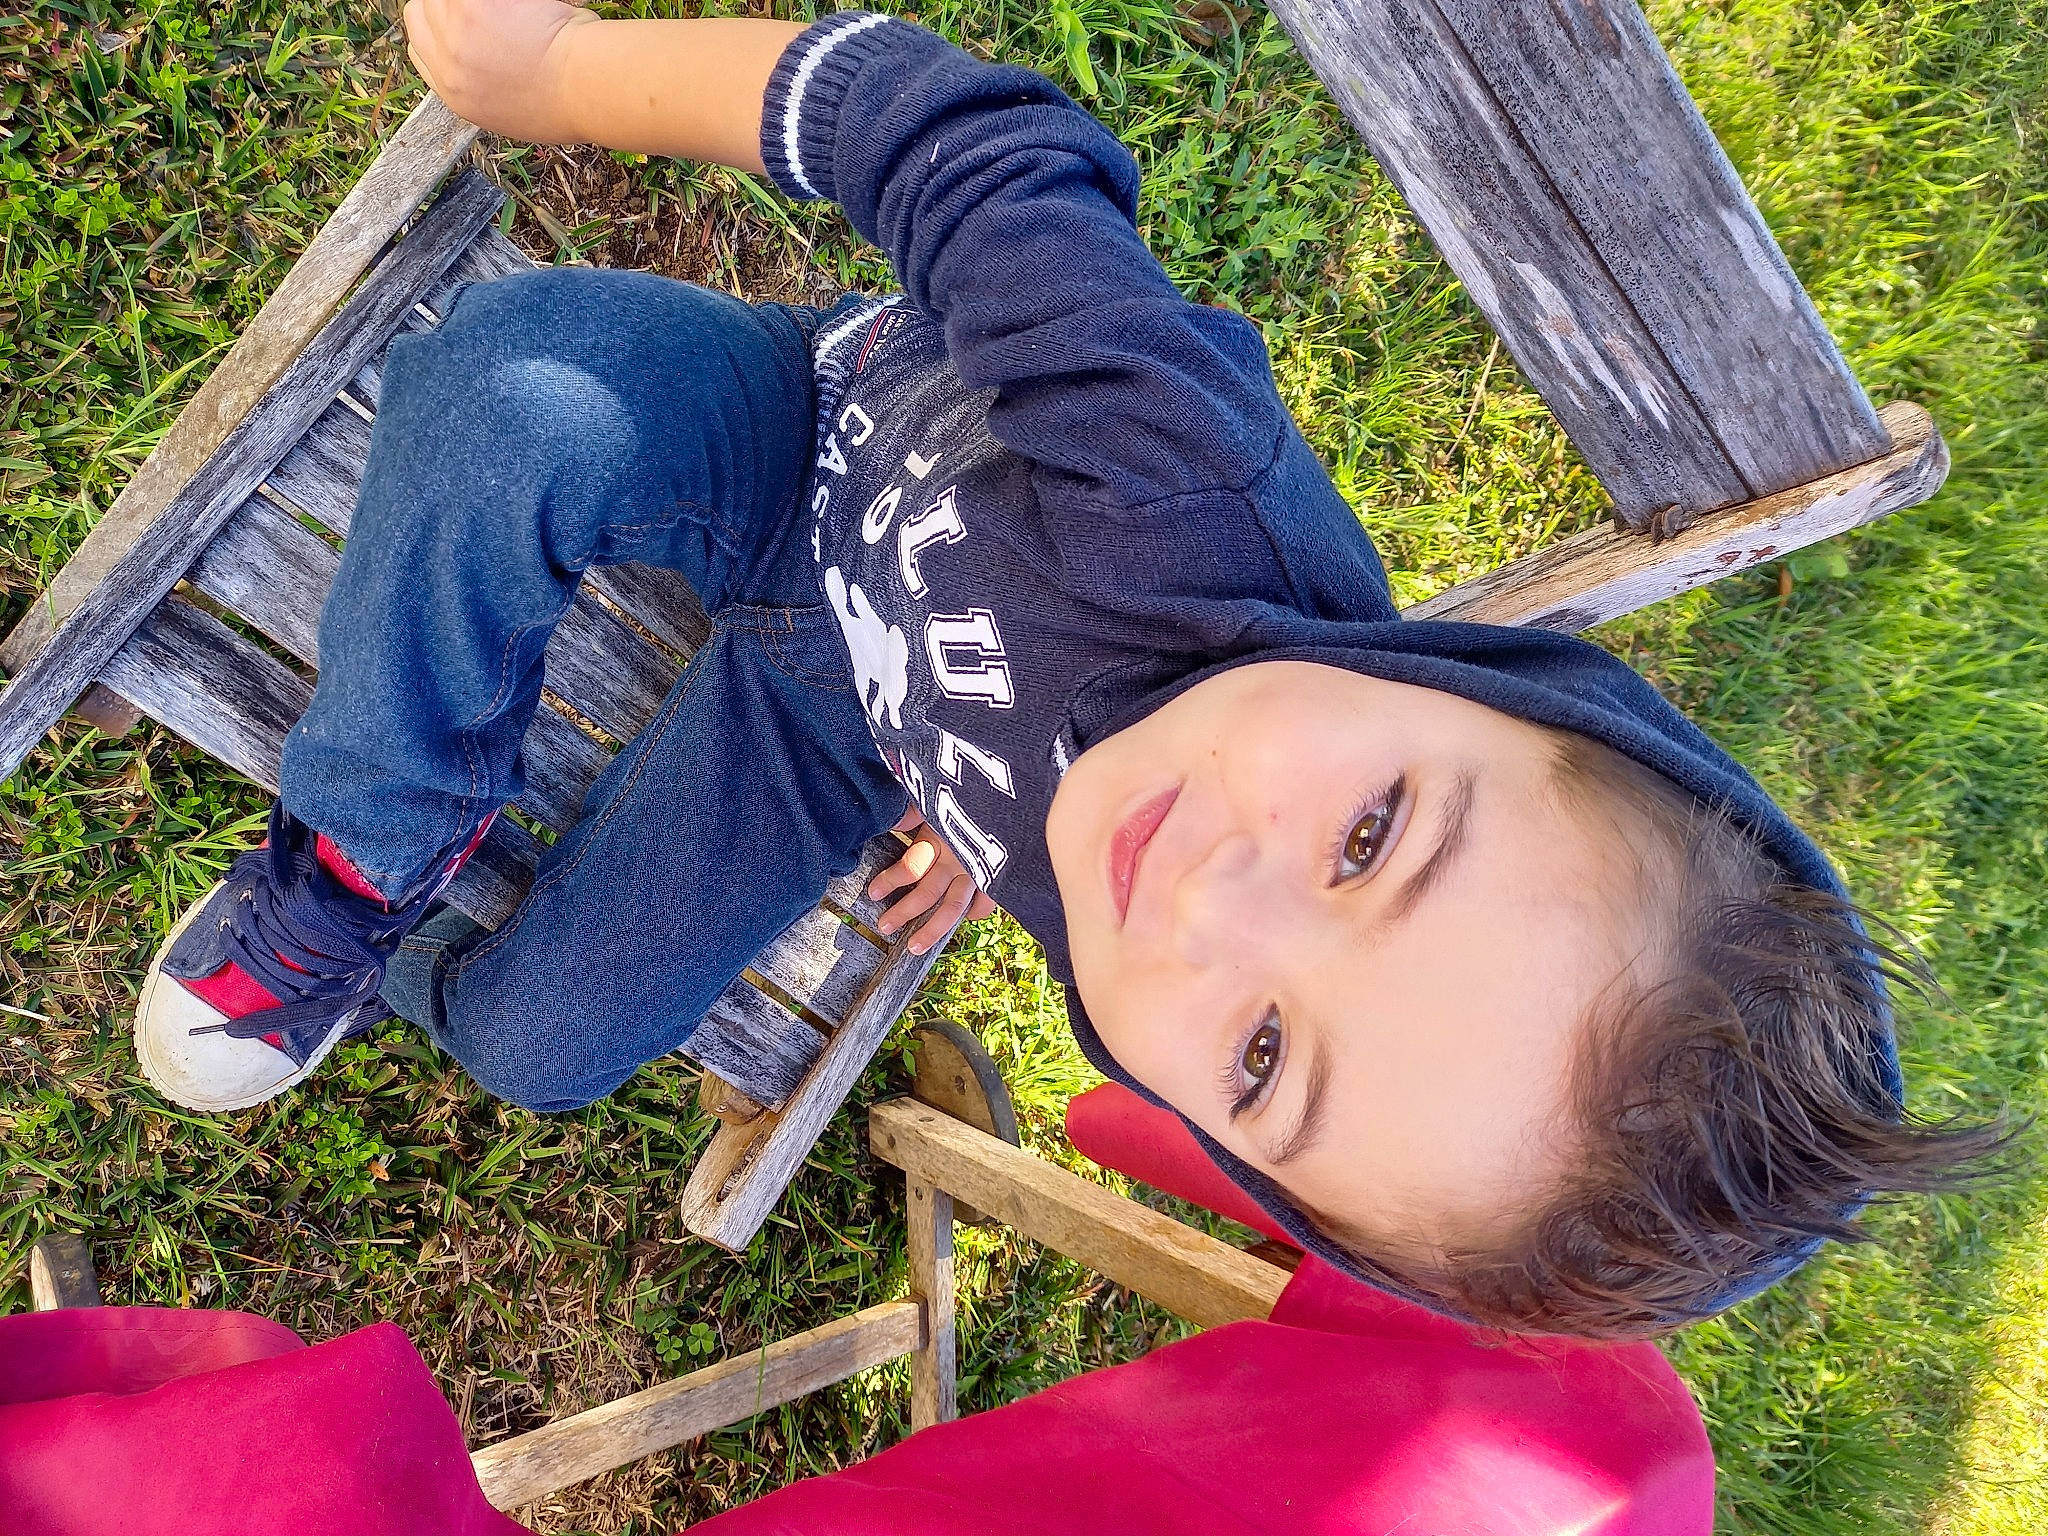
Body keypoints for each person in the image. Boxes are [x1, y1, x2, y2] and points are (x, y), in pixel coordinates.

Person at [132, 1, 1997, 1337]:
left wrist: (974, 796)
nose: (1203, 901)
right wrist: (543, 71)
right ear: (1478, 687)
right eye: (1372, 841)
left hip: (846, 728)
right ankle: (361, 858)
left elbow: (1190, 898)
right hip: (811, 436)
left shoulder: (1158, 900)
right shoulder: (1184, 494)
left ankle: (444, 962)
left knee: (538, 1053)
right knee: (505, 393)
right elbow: (953, 142)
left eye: (1265, 1060)